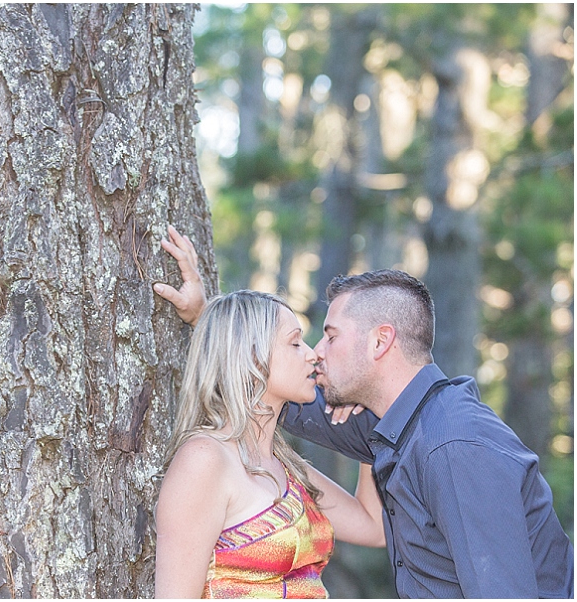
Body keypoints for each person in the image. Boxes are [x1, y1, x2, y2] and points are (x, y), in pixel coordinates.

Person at [154, 225, 574, 599]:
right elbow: (256, 380)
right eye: (300, 342)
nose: (316, 354)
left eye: (329, 337)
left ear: (379, 343)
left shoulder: (451, 444)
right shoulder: (394, 424)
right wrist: (205, 316)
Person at [154, 289, 386, 599]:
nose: (312, 354)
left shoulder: (287, 465)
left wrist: (367, 425)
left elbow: (373, 527)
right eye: (294, 343)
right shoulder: (204, 459)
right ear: (252, 357)